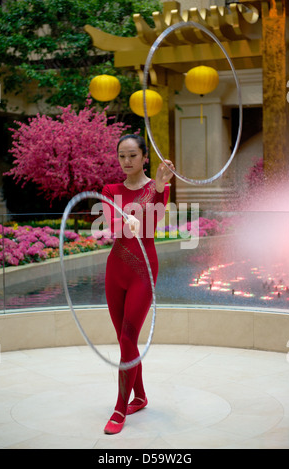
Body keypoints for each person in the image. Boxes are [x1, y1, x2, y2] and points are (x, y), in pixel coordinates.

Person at [101, 134, 175, 435]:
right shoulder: (111, 189)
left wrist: (158, 184)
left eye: (132, 155)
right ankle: (140, 396)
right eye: (121, 156)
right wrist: (126, 221)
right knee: (123, 339)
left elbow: (155, 204)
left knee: (129, 339)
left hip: (143, 270)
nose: (126, 161)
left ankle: (120, 409)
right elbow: (110, 224)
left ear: (145, 156)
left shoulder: (158, 188)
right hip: (115, 269)